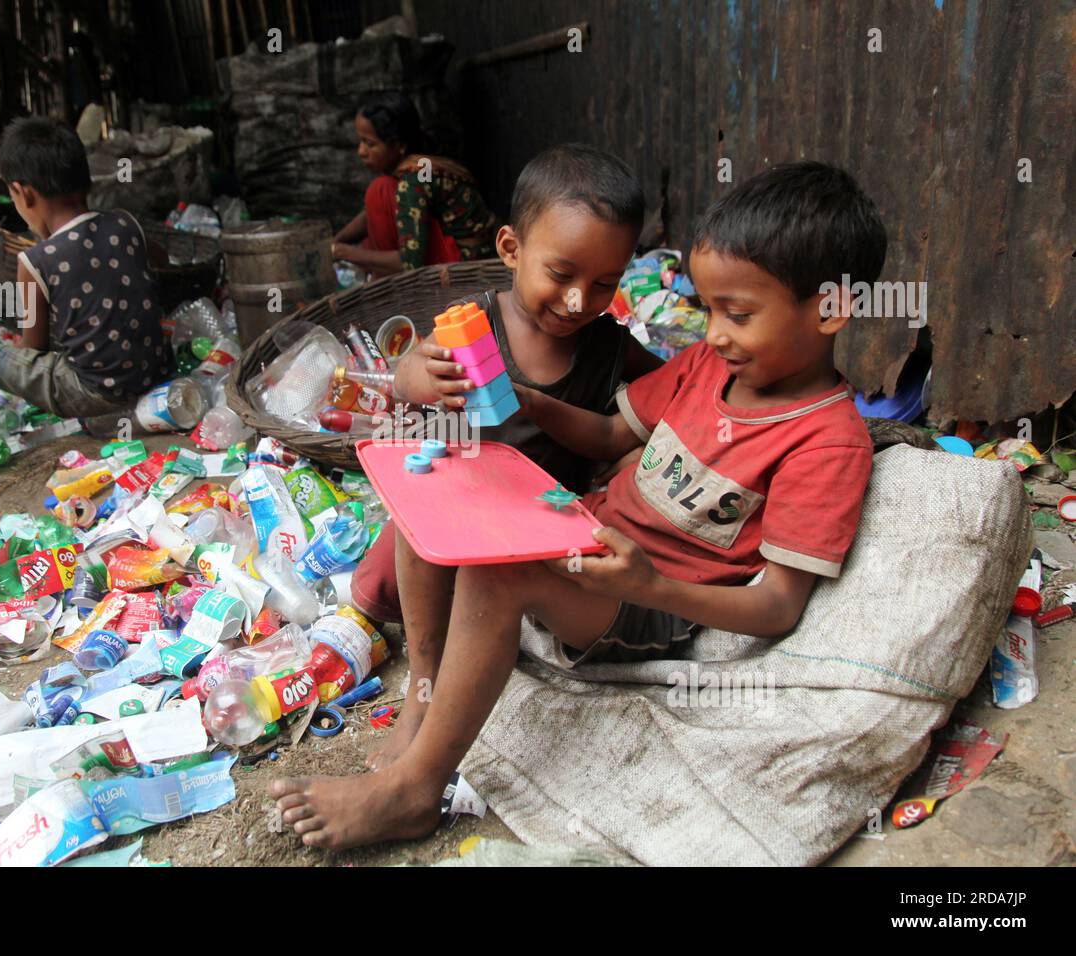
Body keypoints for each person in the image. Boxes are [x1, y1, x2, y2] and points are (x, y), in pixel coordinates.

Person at [270, 161, 882, 850]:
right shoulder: (712, 366)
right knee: (435, 491)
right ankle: (427, 689)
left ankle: (416, 788)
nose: (711, 334)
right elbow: (614, 433)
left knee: (499, 571)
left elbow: (778, 605)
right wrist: (528, 401)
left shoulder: (826, 443)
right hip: (588, 528)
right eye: (708, 310)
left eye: (737, 314)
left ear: (831, 308)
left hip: (644, 599)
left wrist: (651, 584)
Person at [350, 144, 664, 743]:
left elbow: (669, 387)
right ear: (511, 250)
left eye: (604, 283)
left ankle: (447, 663)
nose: (578, 301)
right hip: (459, 496)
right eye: (562, 274)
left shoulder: (609, 347)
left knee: (467, 577)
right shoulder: (473, 326)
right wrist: (421, 378)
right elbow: (408, 371)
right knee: (392, 564)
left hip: (535, 518)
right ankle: (426, 679)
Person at [0, 117, 172, 488]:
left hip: (93, 393)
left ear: (23, 194)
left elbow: (32, 352)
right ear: (84, 180)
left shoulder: (37, 260)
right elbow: (163, 261)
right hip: (153, 372)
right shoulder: (126, 224)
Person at [332, 92, 496, 277]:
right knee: (382, 194)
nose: (361, 151)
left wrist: (343, 252)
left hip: (466, 266)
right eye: (360, 141)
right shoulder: (421, 164)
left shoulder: (413, 181)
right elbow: (369, 215)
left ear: (398, 145)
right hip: (467, 251)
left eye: (369, 143)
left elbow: (410, 263)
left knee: (379, 191)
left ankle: (389, 286)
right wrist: (334, 242)